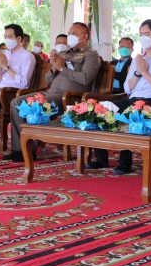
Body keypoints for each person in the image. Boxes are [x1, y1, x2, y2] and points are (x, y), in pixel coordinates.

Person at [87, 19, 151, 174]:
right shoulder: (138, 59)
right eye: (140, 34)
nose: (143, 37)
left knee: (133, 114)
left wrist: (145, 73)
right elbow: (127, 88)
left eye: (147, 34)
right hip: (132, 99)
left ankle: (124, 163)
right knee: (99, 109)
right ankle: (101, 159)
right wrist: (137, 72)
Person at [5, 22, 101, 162]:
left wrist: (62, 68)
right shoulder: (65, 53)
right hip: (50, 92)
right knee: (16, 102)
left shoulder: (90, 54)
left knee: (37, 106)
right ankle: (18, 149)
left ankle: (28, 151)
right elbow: (48, 79)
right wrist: (54, 68)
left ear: (85, 36)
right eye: (69, 33)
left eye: (74, 33)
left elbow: (86, 79)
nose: (70, 36)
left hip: (69, 97)